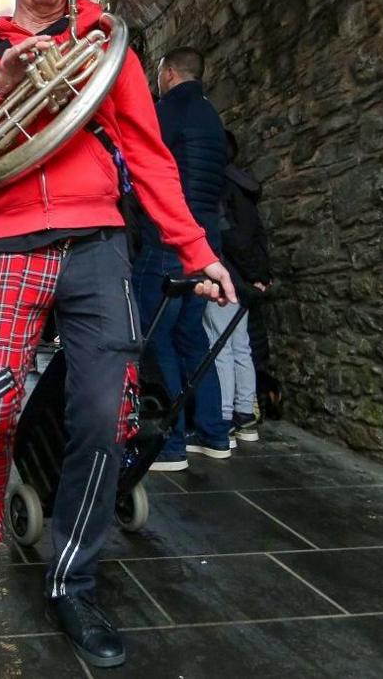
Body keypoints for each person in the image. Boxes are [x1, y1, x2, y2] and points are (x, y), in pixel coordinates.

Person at [0, 0, 236, 669]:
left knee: (106, 417)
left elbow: (153, 161)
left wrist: (197, 249)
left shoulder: (104, 52)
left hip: (98, 245)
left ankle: (73, 578)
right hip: (10, 242)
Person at [129, 47, 230, 468]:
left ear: (168, 74)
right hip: (207, 244)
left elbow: (141, 166)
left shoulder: (165, 111)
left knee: (155, 339)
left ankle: (166, 444)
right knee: (193, 338)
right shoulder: (213, 118)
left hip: (169, 239)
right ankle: (212, 434)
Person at [213, 128, 273, 445]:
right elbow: (255, 236)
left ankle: (223, 418)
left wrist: (248, 274)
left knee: (220, 347)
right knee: (240, 347)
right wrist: (260, 274)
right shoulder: (244, 185)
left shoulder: (220, 187)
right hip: (246, 277)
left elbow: (230, 236)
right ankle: (245, 415)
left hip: (228, 275)